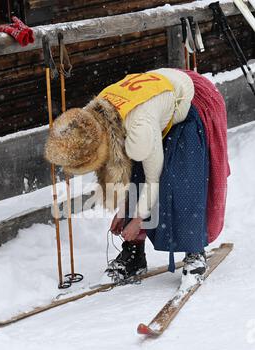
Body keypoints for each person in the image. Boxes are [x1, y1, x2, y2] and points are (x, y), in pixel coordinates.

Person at [45, 68, 229, 287]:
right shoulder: (91, 119)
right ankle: (135, 254)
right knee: (135, 170)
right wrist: (124, 213)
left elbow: (154, 179)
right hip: (155, 102)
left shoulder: (138, 127)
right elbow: (121, 169)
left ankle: (194, 252)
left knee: (182, 180)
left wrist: (138, 220)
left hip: (191, 99)